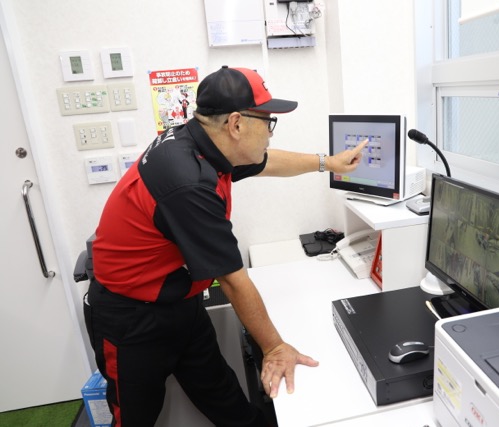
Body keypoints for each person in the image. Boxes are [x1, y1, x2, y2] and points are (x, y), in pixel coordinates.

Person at [83, 65, 368, 427]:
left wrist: (327, 163)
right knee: (136, 418)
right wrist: (275, 347)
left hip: (179, 300)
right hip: (130, 317)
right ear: (236, 124)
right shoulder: (186, 182)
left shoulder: (204, 142)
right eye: (268, 122)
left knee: (227, 400)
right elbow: (233, 279)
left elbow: (265, 161)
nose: (269, 132)